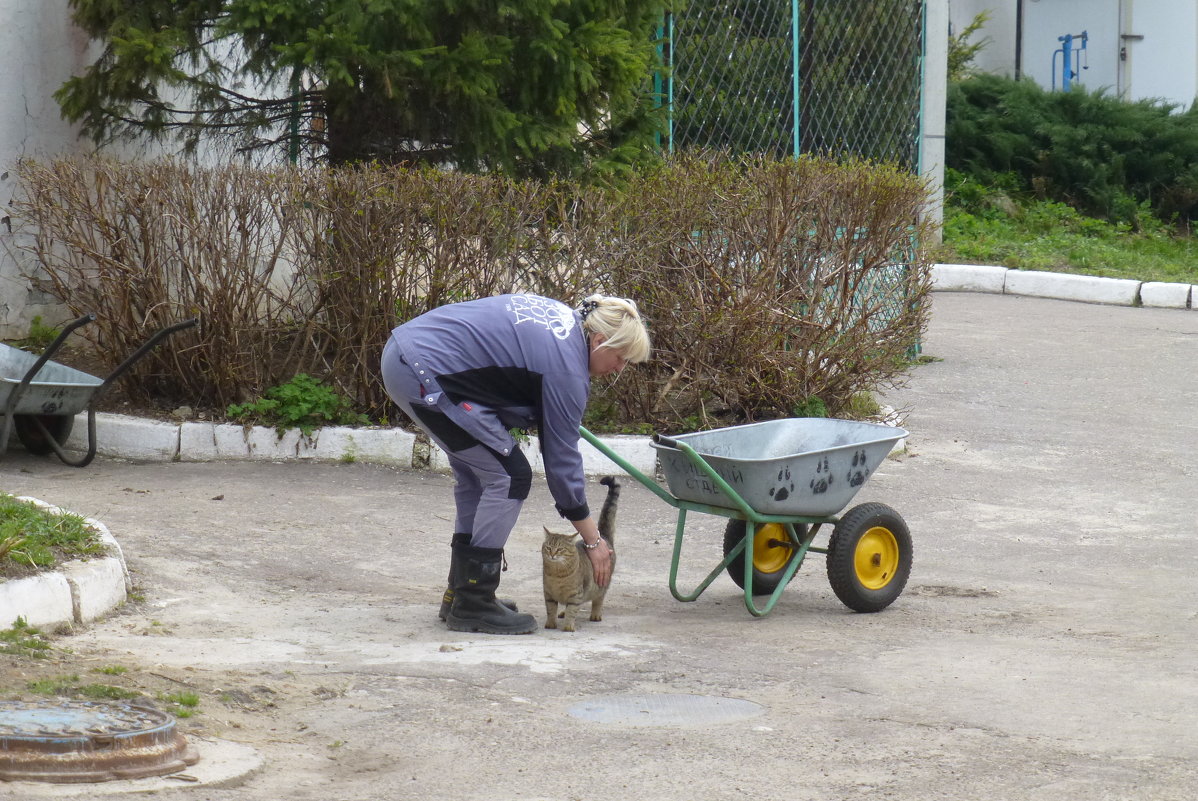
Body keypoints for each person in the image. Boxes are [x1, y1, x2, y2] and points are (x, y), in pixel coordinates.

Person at [380, 293, 651, 635]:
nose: (619, 369)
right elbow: (562, 463)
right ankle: (474, 602)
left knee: (479, 475)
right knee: (509, 477)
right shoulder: (566, 368)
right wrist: (595, 543)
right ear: (599, 340)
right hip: (424, 370)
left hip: (404, 353)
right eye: (621, 358)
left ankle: (460, 594)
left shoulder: (564, 323)